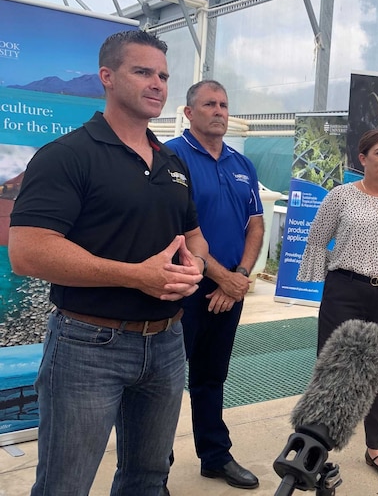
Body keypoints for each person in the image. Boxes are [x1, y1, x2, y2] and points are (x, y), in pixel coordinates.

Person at [8, 30, 207, 496]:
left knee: (147, 479)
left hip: (167, 343)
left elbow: (194, 238)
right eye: (142, 72)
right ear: (107, 77)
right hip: (87, 346)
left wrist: (194, 268)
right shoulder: (68, 156)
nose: (157, 83)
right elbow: (28, 250)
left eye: (162, 75)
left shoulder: (172, 162)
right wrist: (136, 277)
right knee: (65, 483)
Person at [297, 129, 378, 479]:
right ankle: (315, 449)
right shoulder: (340, 196)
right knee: (332, 369)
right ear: (362, 158)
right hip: (345, 290)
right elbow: (318, 240)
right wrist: (318, 280)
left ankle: (375, 448)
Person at [163, 80, 264, 489]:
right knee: (166, 383)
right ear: (189, 112)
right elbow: (178, 227)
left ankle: (214, 455)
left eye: (223, 104)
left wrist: (237, 278)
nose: (219, 111)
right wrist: (220, 276)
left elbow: (255, 224)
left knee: (211, 377)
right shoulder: (171, 157)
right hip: (183, 288)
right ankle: (155, 466)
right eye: (209, 104)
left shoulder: (242, 164)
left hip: (231, 289)